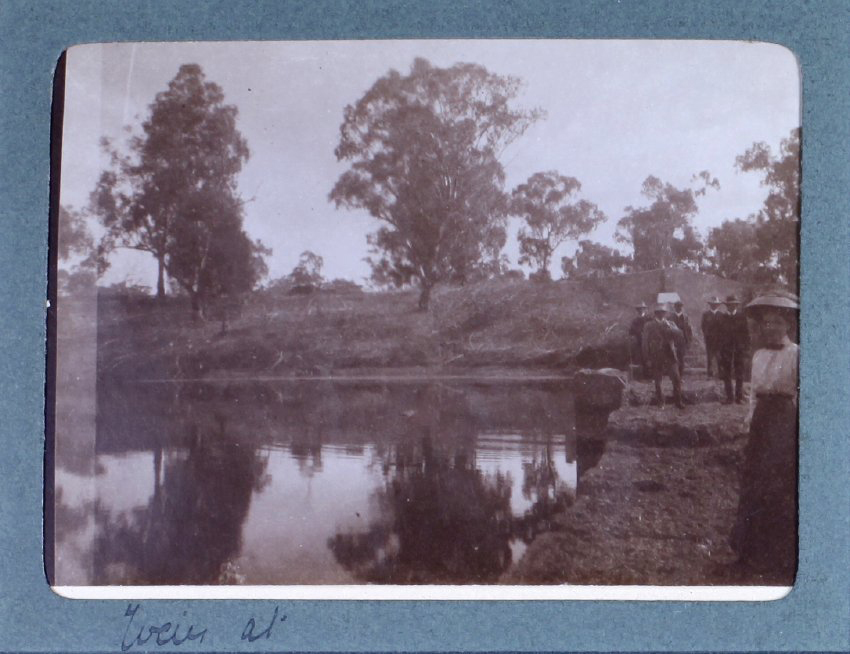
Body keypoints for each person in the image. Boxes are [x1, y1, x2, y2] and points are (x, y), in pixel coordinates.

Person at [730, 292, 799, 584]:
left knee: (779, 482)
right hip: (762, 421)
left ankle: (778, 555)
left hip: (785, 420)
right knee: (754, 481)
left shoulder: (796, 353)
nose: (770, 328)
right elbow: (753, 394)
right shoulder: (758, 355)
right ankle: (748, 551)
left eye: (777, 323)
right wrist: (749, 421)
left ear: (788, 326)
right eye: (766, 323)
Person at [641, 303, 685, 409]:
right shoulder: (649, 325)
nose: (661, 314)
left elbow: (680, 336)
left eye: (663, 312)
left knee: (676, 378)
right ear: (655, 313)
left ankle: (678, 401)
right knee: (658, 380)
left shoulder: (670, 323)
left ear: (665, 313)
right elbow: (645, 343)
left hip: (670, 355)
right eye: (659, 312)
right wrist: (647, 358)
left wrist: (672, 328)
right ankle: (661, 402)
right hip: (656, 355)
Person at [719, 294, 750, 404]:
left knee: (739, 373)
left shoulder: (741, 317)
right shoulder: (722, 318)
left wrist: (746, 348)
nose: (731, 307)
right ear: (726, 306)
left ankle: (739, 397)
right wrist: (720, 349)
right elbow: (718, 335)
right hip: (726, 349)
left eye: (733, 305)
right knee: (726, 373)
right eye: (729, 305)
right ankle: (729, 398)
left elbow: (746, 334)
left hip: (739, 348)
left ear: (736, 305)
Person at [700, 296, 724, 377]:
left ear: (718, 305)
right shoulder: (706, 314)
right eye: (712, 304)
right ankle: (709, 373)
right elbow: (703, 326)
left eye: (715, 304)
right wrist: (707, 334)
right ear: (710, 305)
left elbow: (724, 327)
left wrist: (721, 337)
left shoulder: (721, 315)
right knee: (710, 356)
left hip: (719, 339)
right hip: (709, 339)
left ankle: (720, 373)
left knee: (719, 356)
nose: (714, 306)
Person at [670, 300, 693, 377]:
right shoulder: (671, 317)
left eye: (680, 306)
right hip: (673, 341)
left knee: (681, 359)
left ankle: (681, 376)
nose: (679, 308)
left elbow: (689, 330)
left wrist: (689, 341)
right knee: (673, 359)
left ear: (682, 307)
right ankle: (674, 376)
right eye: (677, 306)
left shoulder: (686, 317)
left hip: (682, 341)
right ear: (675, 307)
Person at [628, 302, 650, 378]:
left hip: (648, 341)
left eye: (642, 309)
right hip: (639, 341)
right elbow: (631, 331)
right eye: (639, 309)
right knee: (641, 357)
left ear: (645, 309)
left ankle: (649, 374)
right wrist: (632, 336)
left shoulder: (648, 318)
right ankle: (643, 374)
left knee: (649, 357)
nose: (640, 310)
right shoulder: (635, 320)